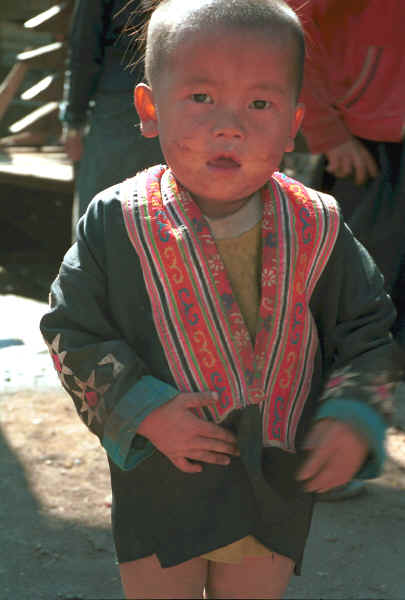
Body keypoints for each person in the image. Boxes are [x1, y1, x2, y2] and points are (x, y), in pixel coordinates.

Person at [40, 1, 403, 598]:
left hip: (276, 478)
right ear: (150, 109)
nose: (229, 125)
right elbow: (70, 327)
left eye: (260, 104)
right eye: (201, 98)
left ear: (294, 122)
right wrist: (145, 409)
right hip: (162, 472)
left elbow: (366, 329)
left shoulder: (319, 225)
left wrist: (352, 414)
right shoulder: (115, 221)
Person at [286, 0, 405, 501]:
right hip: (370, 145)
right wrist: (328, 130)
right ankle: (318, 457)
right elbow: (293, 20)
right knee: (353, 307)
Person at [61, 0, 164, 238]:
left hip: (118, 108)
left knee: (96, 224)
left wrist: (74, 122)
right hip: (176, 100)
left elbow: (84, 49)